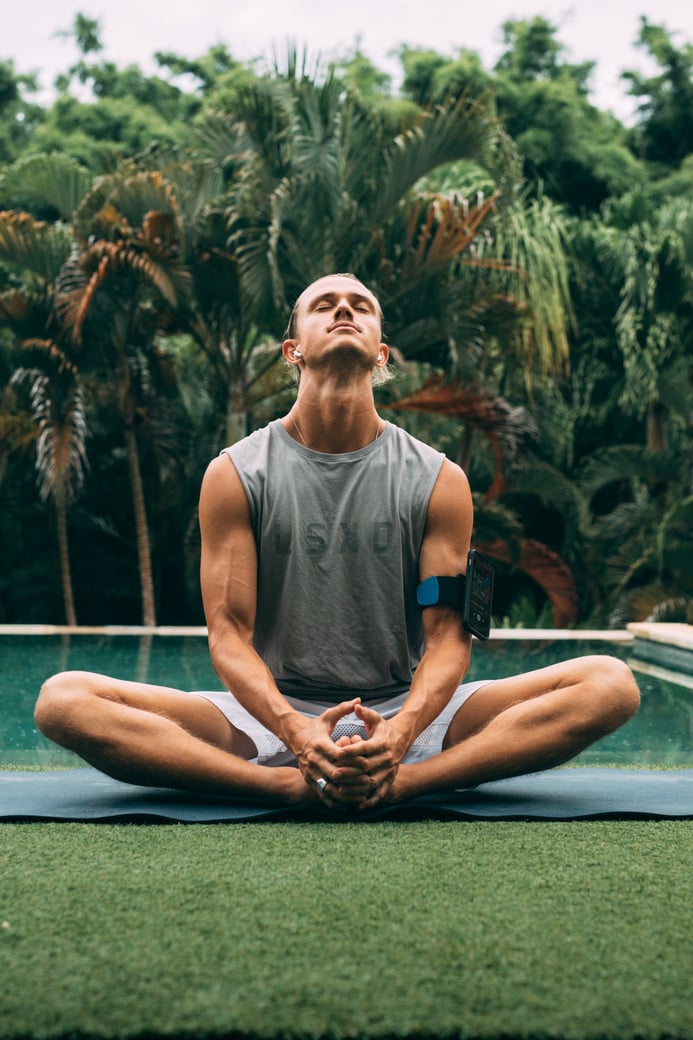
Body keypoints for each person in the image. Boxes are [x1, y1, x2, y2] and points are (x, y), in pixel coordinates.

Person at [35, 273, 640, 813]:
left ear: (381, 352)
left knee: (609, 683)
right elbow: (228, 635)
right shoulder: (235, 474)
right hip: (266, 719)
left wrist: (401, 734)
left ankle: (405, 784)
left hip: (408, 711)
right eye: (324, 304)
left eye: (360, 305)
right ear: (293, 349)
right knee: (63, 700)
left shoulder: (439, 481)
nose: (344, 309)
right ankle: (282, 788)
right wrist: (296, 735)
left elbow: (450, 638)